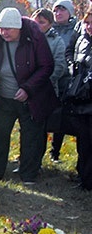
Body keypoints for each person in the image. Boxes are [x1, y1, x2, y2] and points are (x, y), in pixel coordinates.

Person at [0, 7, 59, 185]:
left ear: (19, 28)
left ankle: (28, 174)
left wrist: (28, 89)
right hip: (3, 98)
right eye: (1, 28)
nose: (4, 32)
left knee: (31, 136)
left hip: (30, 98)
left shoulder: (34, 38)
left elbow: (47, 66)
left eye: (9, 29)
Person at [33, 8, 72, 163]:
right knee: (28, 128)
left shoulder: (56, 41)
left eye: (41, 23)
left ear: (50, 24)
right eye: (35, 22)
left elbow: (60, 65)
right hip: (26, 89)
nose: (37, 26)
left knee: (42, 127)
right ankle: (27, 157)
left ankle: (38, 160)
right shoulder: (27, 38)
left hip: (46, 90)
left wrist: (44, 82)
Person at [65, 8, 92, 190]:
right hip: (81, 99)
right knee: (83, 142)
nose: (89, 27)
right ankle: (84, 178)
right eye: (87, 23)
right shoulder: (81, 39)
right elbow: (70, 54)